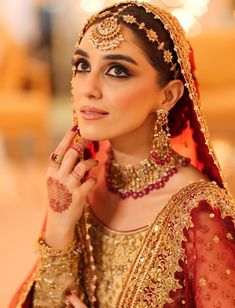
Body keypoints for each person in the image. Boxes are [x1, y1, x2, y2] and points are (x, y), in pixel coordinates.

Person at [11, 1, 235, 307]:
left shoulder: (202, 214)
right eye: (82, 65)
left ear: (167, 95)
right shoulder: (80, 185)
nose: (88, 88)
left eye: (117, 70)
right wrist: (59, 229)